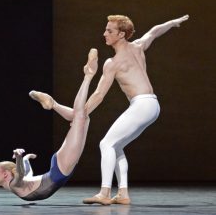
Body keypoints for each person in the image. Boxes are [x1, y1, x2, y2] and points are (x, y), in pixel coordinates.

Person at [30, 14, 189, 205]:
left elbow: (99, 95)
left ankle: (104, 193)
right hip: (152, 105)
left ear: (121, 34)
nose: (104, 33)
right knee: (116, 146)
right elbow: (154, 31)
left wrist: (81, 113)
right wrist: (172, 23)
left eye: (109, 31)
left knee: (105, 144)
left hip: (141, 105)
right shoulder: (138, 46)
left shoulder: (112, 63)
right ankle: (123, 194)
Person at [0, 48, 98, 201]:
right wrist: (25, 159)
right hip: (58, 170)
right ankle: (52, 104)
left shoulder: (14, 184)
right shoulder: (17, 184)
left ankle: (88, 75)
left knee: (80, 117)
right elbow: (26, 173)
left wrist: (20, 159)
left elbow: (20, 173)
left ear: (6, 174)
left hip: (59, 171)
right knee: (82, 118)